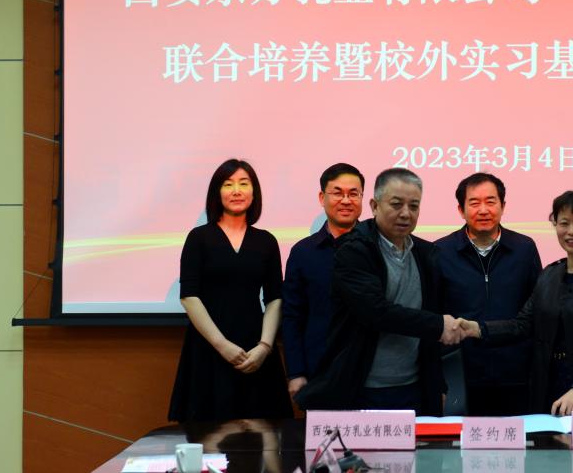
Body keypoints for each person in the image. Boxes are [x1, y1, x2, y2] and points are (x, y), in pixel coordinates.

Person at [296, 168, 465, 415]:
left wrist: (436, 384)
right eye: (396, 204)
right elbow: (376, 312)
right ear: (374, 206)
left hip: (414, 387)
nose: (405, 213)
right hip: (362, 388)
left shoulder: (427, 254)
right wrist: (439, 325)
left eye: (414, 206)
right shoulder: (353, 250)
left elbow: (431, 317)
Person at [460, 190, 573, 415]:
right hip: (550, 386)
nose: (571, 231)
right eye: (564, 223)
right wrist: (477, 329)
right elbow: (522, 325)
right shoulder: (549, 275)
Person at [168, 159, 292, 421]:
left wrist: (265, 346)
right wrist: (221, 345)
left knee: (263, 431)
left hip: (255, 348)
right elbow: (189, 296)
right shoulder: (199, 238)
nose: (236, 190)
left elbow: (275, 298)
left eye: (244, 184)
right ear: (217, 192)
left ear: (254, 192)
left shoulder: (266, 241)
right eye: (228, 184)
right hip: (209, 347)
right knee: (208, 430)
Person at [434, 172, 541, 415]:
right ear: (461, 210)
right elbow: (434, 314)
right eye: (474, 203)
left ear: (503, 206)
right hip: (461, 374)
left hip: (516, 374)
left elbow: (537, 310)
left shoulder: (524, 249)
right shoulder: (440, 251)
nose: (483, 210)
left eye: (491, 202)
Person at [281, 163, 365, 403]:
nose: (346, 200)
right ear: (322, 197)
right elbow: (292, 316)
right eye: (338, 193)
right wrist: (295, 372)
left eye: (353, 194)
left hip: (371, 372)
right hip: (318, 371)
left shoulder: (378, 247)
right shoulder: (303, 252)